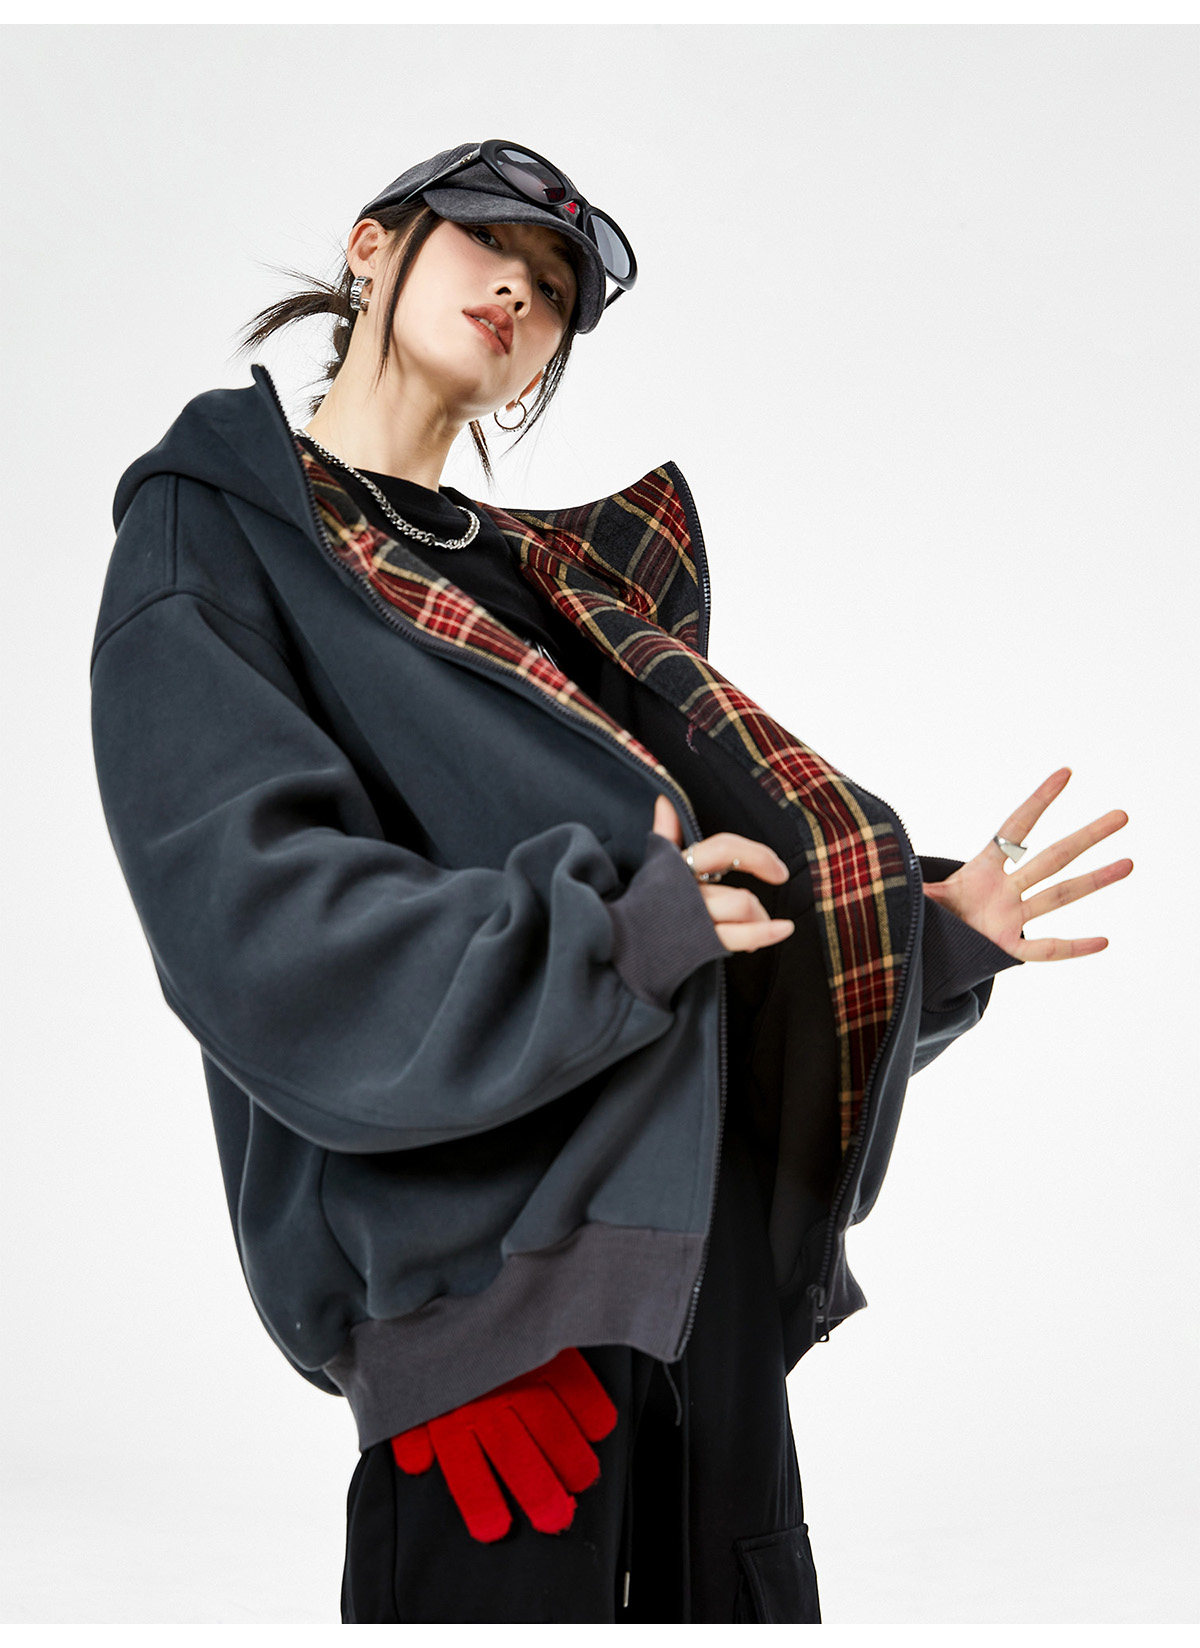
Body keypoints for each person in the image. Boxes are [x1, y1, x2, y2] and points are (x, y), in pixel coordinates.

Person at [88, 140, 1133, 1624]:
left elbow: (692, 947)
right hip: (493, 1339)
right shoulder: (223, 534)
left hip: (705, 1291)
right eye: (487, 242)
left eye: (558, 285)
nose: (522, 288)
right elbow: (258, 932)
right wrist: (427, 1338)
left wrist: (927, 936)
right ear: (372, 247)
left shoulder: (564, 587)